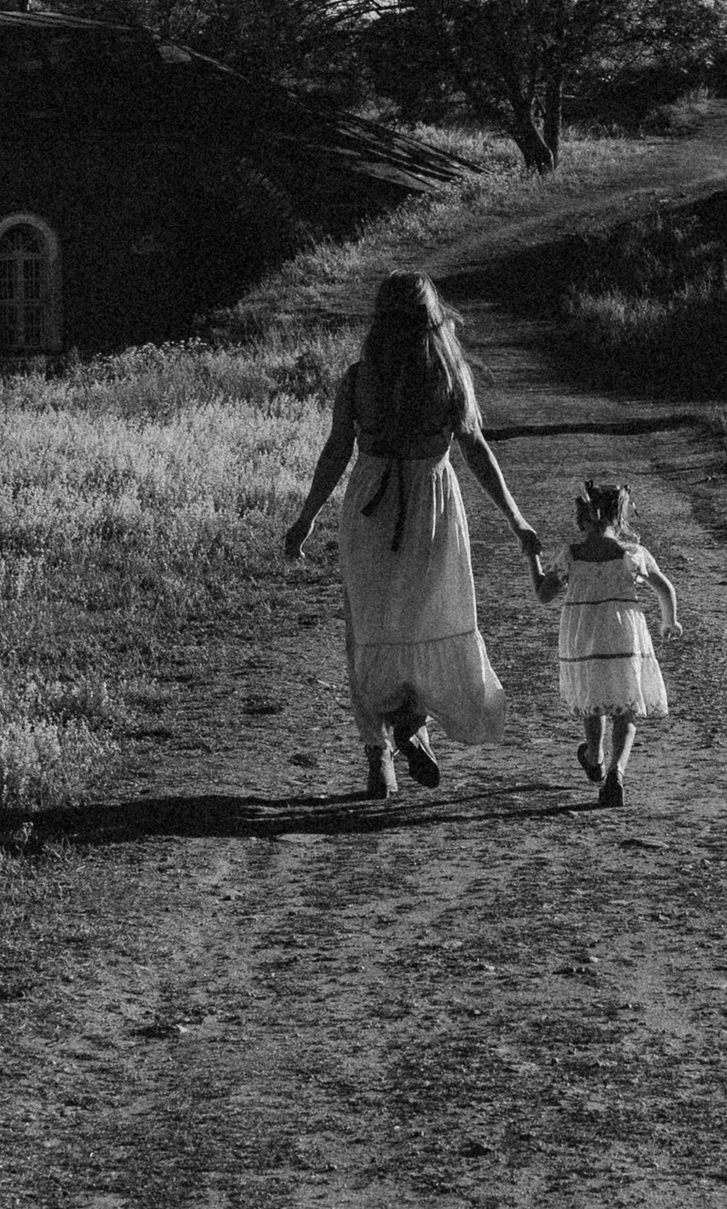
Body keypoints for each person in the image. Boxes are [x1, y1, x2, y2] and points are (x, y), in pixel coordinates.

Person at [282, 273, 553, 799]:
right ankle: (412, 723)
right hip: (432, 504)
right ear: (434, 317)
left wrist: (307, 515)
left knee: (369, 630)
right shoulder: (449, 376)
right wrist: (516, 519)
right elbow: (475, 449)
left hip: (368, 507)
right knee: (424, 617)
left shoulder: (360, 378)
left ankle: (380, 754)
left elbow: (337, 450)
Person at [546, 476, 680, 809]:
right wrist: (669, 621)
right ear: (619, 518)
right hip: (624, 633)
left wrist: (531, 559)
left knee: (594, 700)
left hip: (584, 634)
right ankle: (616, 772)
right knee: (626, 705)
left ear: (583, 518)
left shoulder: (571, 555)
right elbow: (665, 589)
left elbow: (543, 593)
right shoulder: (632, 553)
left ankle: (594, 756)